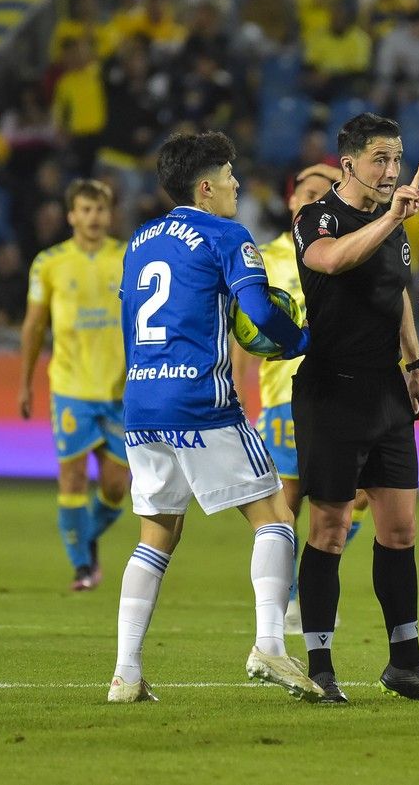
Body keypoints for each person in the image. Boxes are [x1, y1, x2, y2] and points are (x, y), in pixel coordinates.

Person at [107, 131, 321, 704]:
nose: (236, 186)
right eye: (229, 177)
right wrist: (299, 339)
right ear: (205, 188)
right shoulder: (225, 233)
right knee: (275, 516)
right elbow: (255, 309)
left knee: (156, 534)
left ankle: (126, 674)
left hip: (143, 404)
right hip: (200, 400)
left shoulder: (138, 241)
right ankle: (270, 647)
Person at [291, 112, 419, 704]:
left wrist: (415, 366)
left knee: (401, 529)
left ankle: (405, 663)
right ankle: (319, 664)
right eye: (380, 159)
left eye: (396, 158)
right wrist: (390, 219)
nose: (390, 170)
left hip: (385, 389)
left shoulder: (394, 225)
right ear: (349, 163)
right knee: (331, 529)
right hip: (331, 389)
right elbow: (332, 261)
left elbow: (398, 297)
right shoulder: (316, 217)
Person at [236, 163, 369, 634]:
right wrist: (236, 392)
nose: (317, 201)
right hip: (284, 395)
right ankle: (290, 600)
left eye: (325, 193)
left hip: (348, 388)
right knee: (287, 503)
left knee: (357, 498)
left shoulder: (351, 248)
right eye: (310, 193)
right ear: (293, 201)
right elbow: (244, 331)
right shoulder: (264, 257)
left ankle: (302, 587)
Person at [20, 179, 129, 592]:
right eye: (85, 210)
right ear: (71, 215)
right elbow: (34, 326)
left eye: (99, 210)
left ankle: (85, 537)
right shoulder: (48, 263)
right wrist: (25, 384)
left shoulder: (126, 257)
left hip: (119, 391)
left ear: (110, 214)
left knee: (117, 488)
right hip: (70, 387)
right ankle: (83, 567)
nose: (93, 218)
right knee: (72, 480)